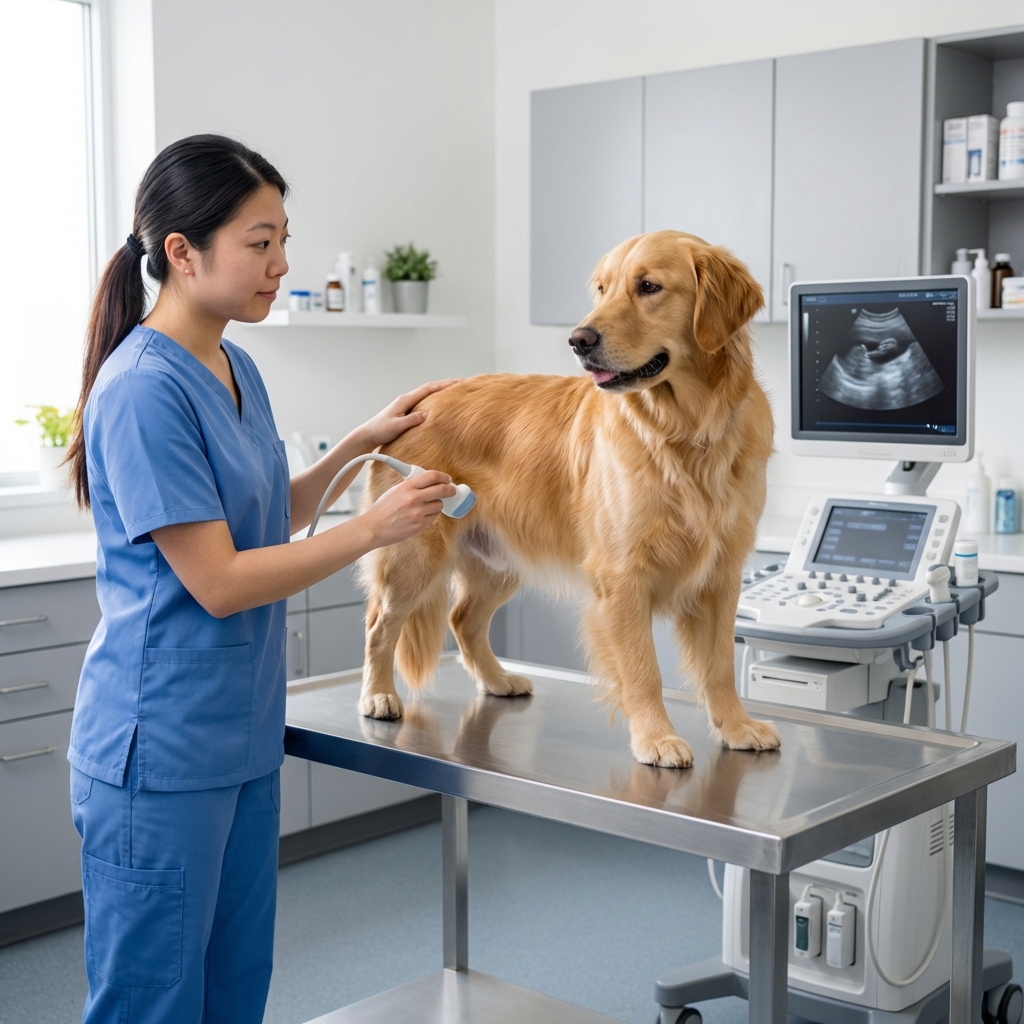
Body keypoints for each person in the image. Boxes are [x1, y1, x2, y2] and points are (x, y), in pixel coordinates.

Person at [64, 134, 456, 1024]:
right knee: (153, 1001)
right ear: (182, 251)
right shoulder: (140, 389)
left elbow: (266, 517)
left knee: (235, 987)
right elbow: (221, 581)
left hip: (237, 741)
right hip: (156, 752)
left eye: (284, 241)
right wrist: (372, 530)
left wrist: (360, 444)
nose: (282, 265)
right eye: (261, 241)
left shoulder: (234, 365)